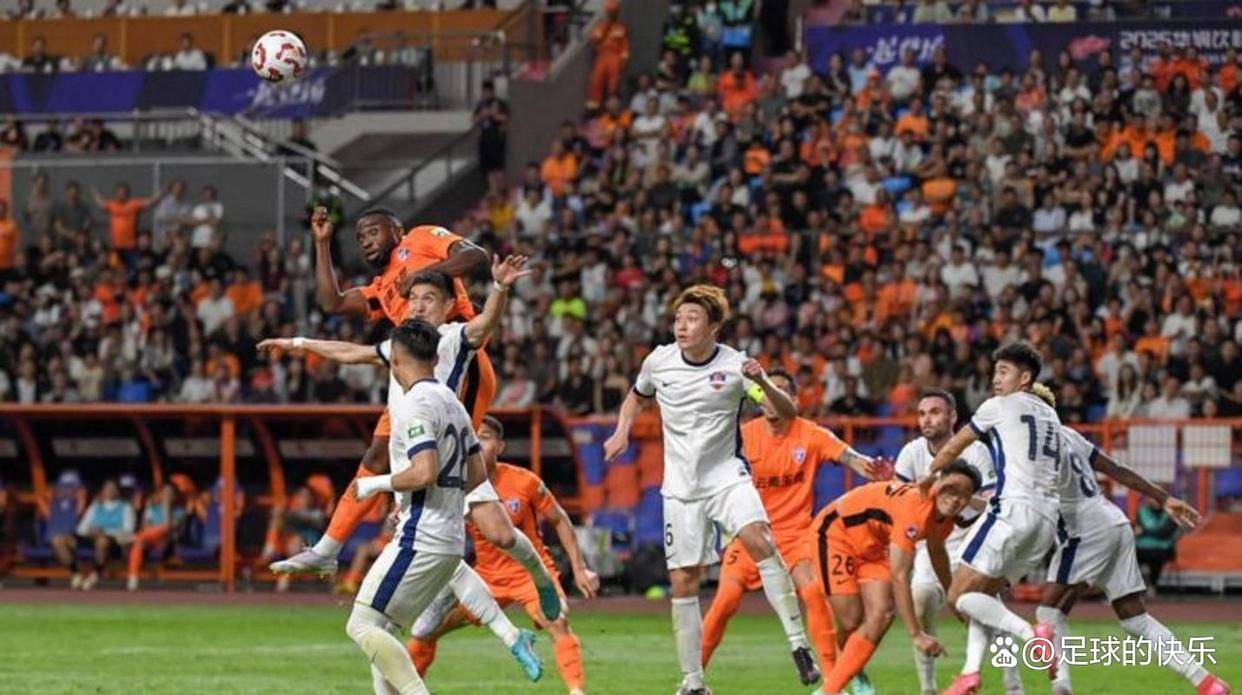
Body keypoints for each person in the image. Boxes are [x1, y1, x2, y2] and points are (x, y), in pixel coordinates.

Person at [260, 259, 554, 678]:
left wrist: (499, 288)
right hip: (438, 459)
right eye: (412, 298)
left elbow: (484, 324)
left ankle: (540, 580)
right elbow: (352, 353)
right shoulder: (405, 349)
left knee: (496, 535)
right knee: (441, 566)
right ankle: (510, 635)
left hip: (432, 459)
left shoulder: (449, 340)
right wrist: (299, 343)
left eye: (428, 299)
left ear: (449, 306)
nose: (417, 306)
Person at [603, 284, 821, 693]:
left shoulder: (737, 365)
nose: (682, 326)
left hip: (726, 477)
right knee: (684, 583)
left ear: (714, 327)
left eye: (692, 319)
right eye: (678, 318)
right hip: (681, 488)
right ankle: (693, 682)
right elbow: (636, 396)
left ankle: (798, 644)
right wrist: (621, 431)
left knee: (761, 540)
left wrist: (764, 381)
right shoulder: (659, 361)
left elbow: (787, 412)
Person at [269, 206, 496, 579]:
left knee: (460, 482)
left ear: (397, 229)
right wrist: (322, 244)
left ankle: (509, 568)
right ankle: (327, 549)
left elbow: (475, 257)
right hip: (410, 375)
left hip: (457, 362)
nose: (366, 241)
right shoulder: (381, 287)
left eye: (374, 231)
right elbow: (332, 303)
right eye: (360, 237)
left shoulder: (420, 238)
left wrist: (424, 274)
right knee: (378, 455)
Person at [1027, 384, 1231, 695]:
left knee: (1048, 613)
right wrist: (1163, 498)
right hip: (1114, 522)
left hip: (1085, 529)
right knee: (1134, 619)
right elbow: (1116, 469)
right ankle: (1206, 682)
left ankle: (1061, 688)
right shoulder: (1070, 435)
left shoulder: (1032, 447)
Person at [701, 370, 880, 677]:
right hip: (751, 533)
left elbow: (850, 456)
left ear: (794, 400)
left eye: (780, 390)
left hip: (797, 536)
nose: (770, 396)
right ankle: (693, 679)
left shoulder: (811, 434)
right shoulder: (743, 435)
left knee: (813, 594)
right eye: (764, 390)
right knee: (725, 601)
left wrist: (872, 468)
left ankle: (831, 681)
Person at [344, 319, 488, 695]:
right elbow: (477, 474)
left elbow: (424, 471)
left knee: (362, 625)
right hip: (450, 538)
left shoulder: (413, 404)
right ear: (435, 357)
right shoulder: (453, 403)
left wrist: (374, 484)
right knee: (383, 631)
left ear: (395, 358)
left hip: (421, 535)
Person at [407, 415, 600, 695]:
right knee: (428, 629)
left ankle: (576, 691)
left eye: (485, 437)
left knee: (558, 622)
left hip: (531, 575)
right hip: (486, 578)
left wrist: (580, 568)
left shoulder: (525, 481)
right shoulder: (454, 485)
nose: (476, 443)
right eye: (472, 437)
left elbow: (559, 519)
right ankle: (407, 689)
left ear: (500, 446)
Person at [930, 342, 1063, 695]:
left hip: (1012, 509)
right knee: (983, 597)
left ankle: (1033, 637)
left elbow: (953, 446)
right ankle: (971, 673)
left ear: (1025, 378)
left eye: (1004, 372)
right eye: (994, 372)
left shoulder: (998, 406)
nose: (995, 379)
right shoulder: (1052, 417)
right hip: (1045, 523)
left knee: (958, 596)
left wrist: (928, 477)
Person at [810, 463, 981, 694]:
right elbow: (900, 576)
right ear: (938, 484)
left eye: (964, 495)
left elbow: (937, 550)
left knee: (883, 613)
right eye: (951, 489)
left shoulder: (944, 518)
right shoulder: (916, 508)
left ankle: (830, 688)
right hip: (836, 533)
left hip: (874, 546)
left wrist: (953, 597)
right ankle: (850, 665)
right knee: (851, 620)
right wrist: (916, 634)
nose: (955, 499)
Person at [892, 389, 1021, 695]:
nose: (927, 419)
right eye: (922, 413)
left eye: (935, 412)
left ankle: (1013, 686)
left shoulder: (975, 451)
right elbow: (899, 502)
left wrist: (957, 493)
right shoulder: (911, 453)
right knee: (921, 598)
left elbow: (993, 504)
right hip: (930, 545)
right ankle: (927, 688)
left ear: (952, 417)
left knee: (993, 617)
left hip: (970, 544)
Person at [74, 479, 136, 591]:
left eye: (112, 488)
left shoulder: (126, 507)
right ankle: (83, 574)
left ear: (117, 491)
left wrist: (105, 531)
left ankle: (94, 575)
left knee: (102, 541)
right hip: (93, 539)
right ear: (102, 491)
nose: (110, 491)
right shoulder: (95, 506)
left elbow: (128, 530)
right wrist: (91, 531)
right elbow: (81, 529)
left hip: (116, 542)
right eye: (107, 488)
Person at [126, 482, 186, 591]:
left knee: (142, 537)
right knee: (139, 542)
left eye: (170, 493)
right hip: (150, 540)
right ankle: (133, 577)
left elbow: (171, 527)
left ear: (175, 496)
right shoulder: (152, 508)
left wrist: (166, 507)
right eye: (165, 493)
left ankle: (135, 538)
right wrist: (148, 509)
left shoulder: (180, 512)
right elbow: (146, 526)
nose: (167, 496)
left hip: (167, 540)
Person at [586, 0, 629, 110]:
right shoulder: (600, 26)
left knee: (613, 84)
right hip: (602, 56)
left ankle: (612, 107)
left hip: (615, 57)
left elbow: (625, 47)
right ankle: (593, 108)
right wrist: (604, 29)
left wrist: (623, 62)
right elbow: (593, 40)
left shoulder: (621, 27)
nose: (611, 14)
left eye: (613, 12)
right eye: (609, 12)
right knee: (596, 80)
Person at [1136, 497, 1178, 591]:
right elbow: (1137, 530)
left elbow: (1164, 533)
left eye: (1158, 498)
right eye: (1153, 498)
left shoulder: (1171, 513)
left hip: (1163, 548)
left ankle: (1152, 584)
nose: (1156, 501)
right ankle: (1140, 580)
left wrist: (1145, 531)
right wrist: (1151, 531)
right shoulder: (1142, 512)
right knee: (1129, 555)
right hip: (1142, 547)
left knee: (1156, 556)